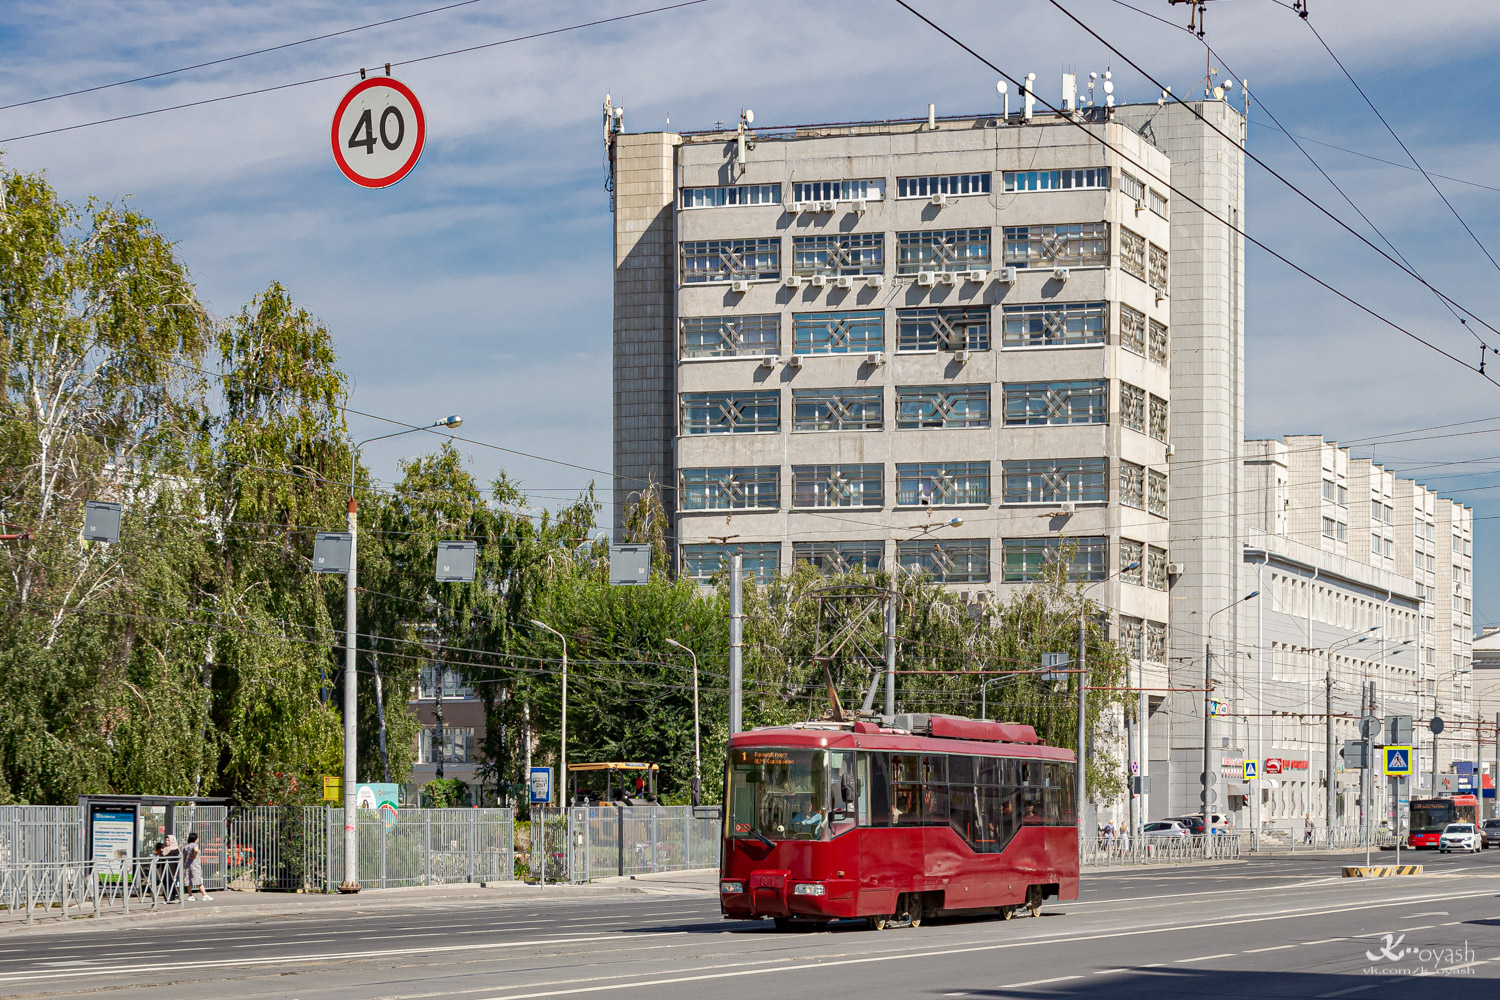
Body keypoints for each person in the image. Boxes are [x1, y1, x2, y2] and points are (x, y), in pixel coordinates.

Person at [183, 832, 210, 901]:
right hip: (195, 864)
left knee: (188, 879)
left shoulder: (186, 846)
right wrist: (194, 856)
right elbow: (195, 849)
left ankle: (190, 895)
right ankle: (204, 895)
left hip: (187, 864)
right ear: (195, 838)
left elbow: (184, 856)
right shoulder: (195, 845)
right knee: (198, 879)